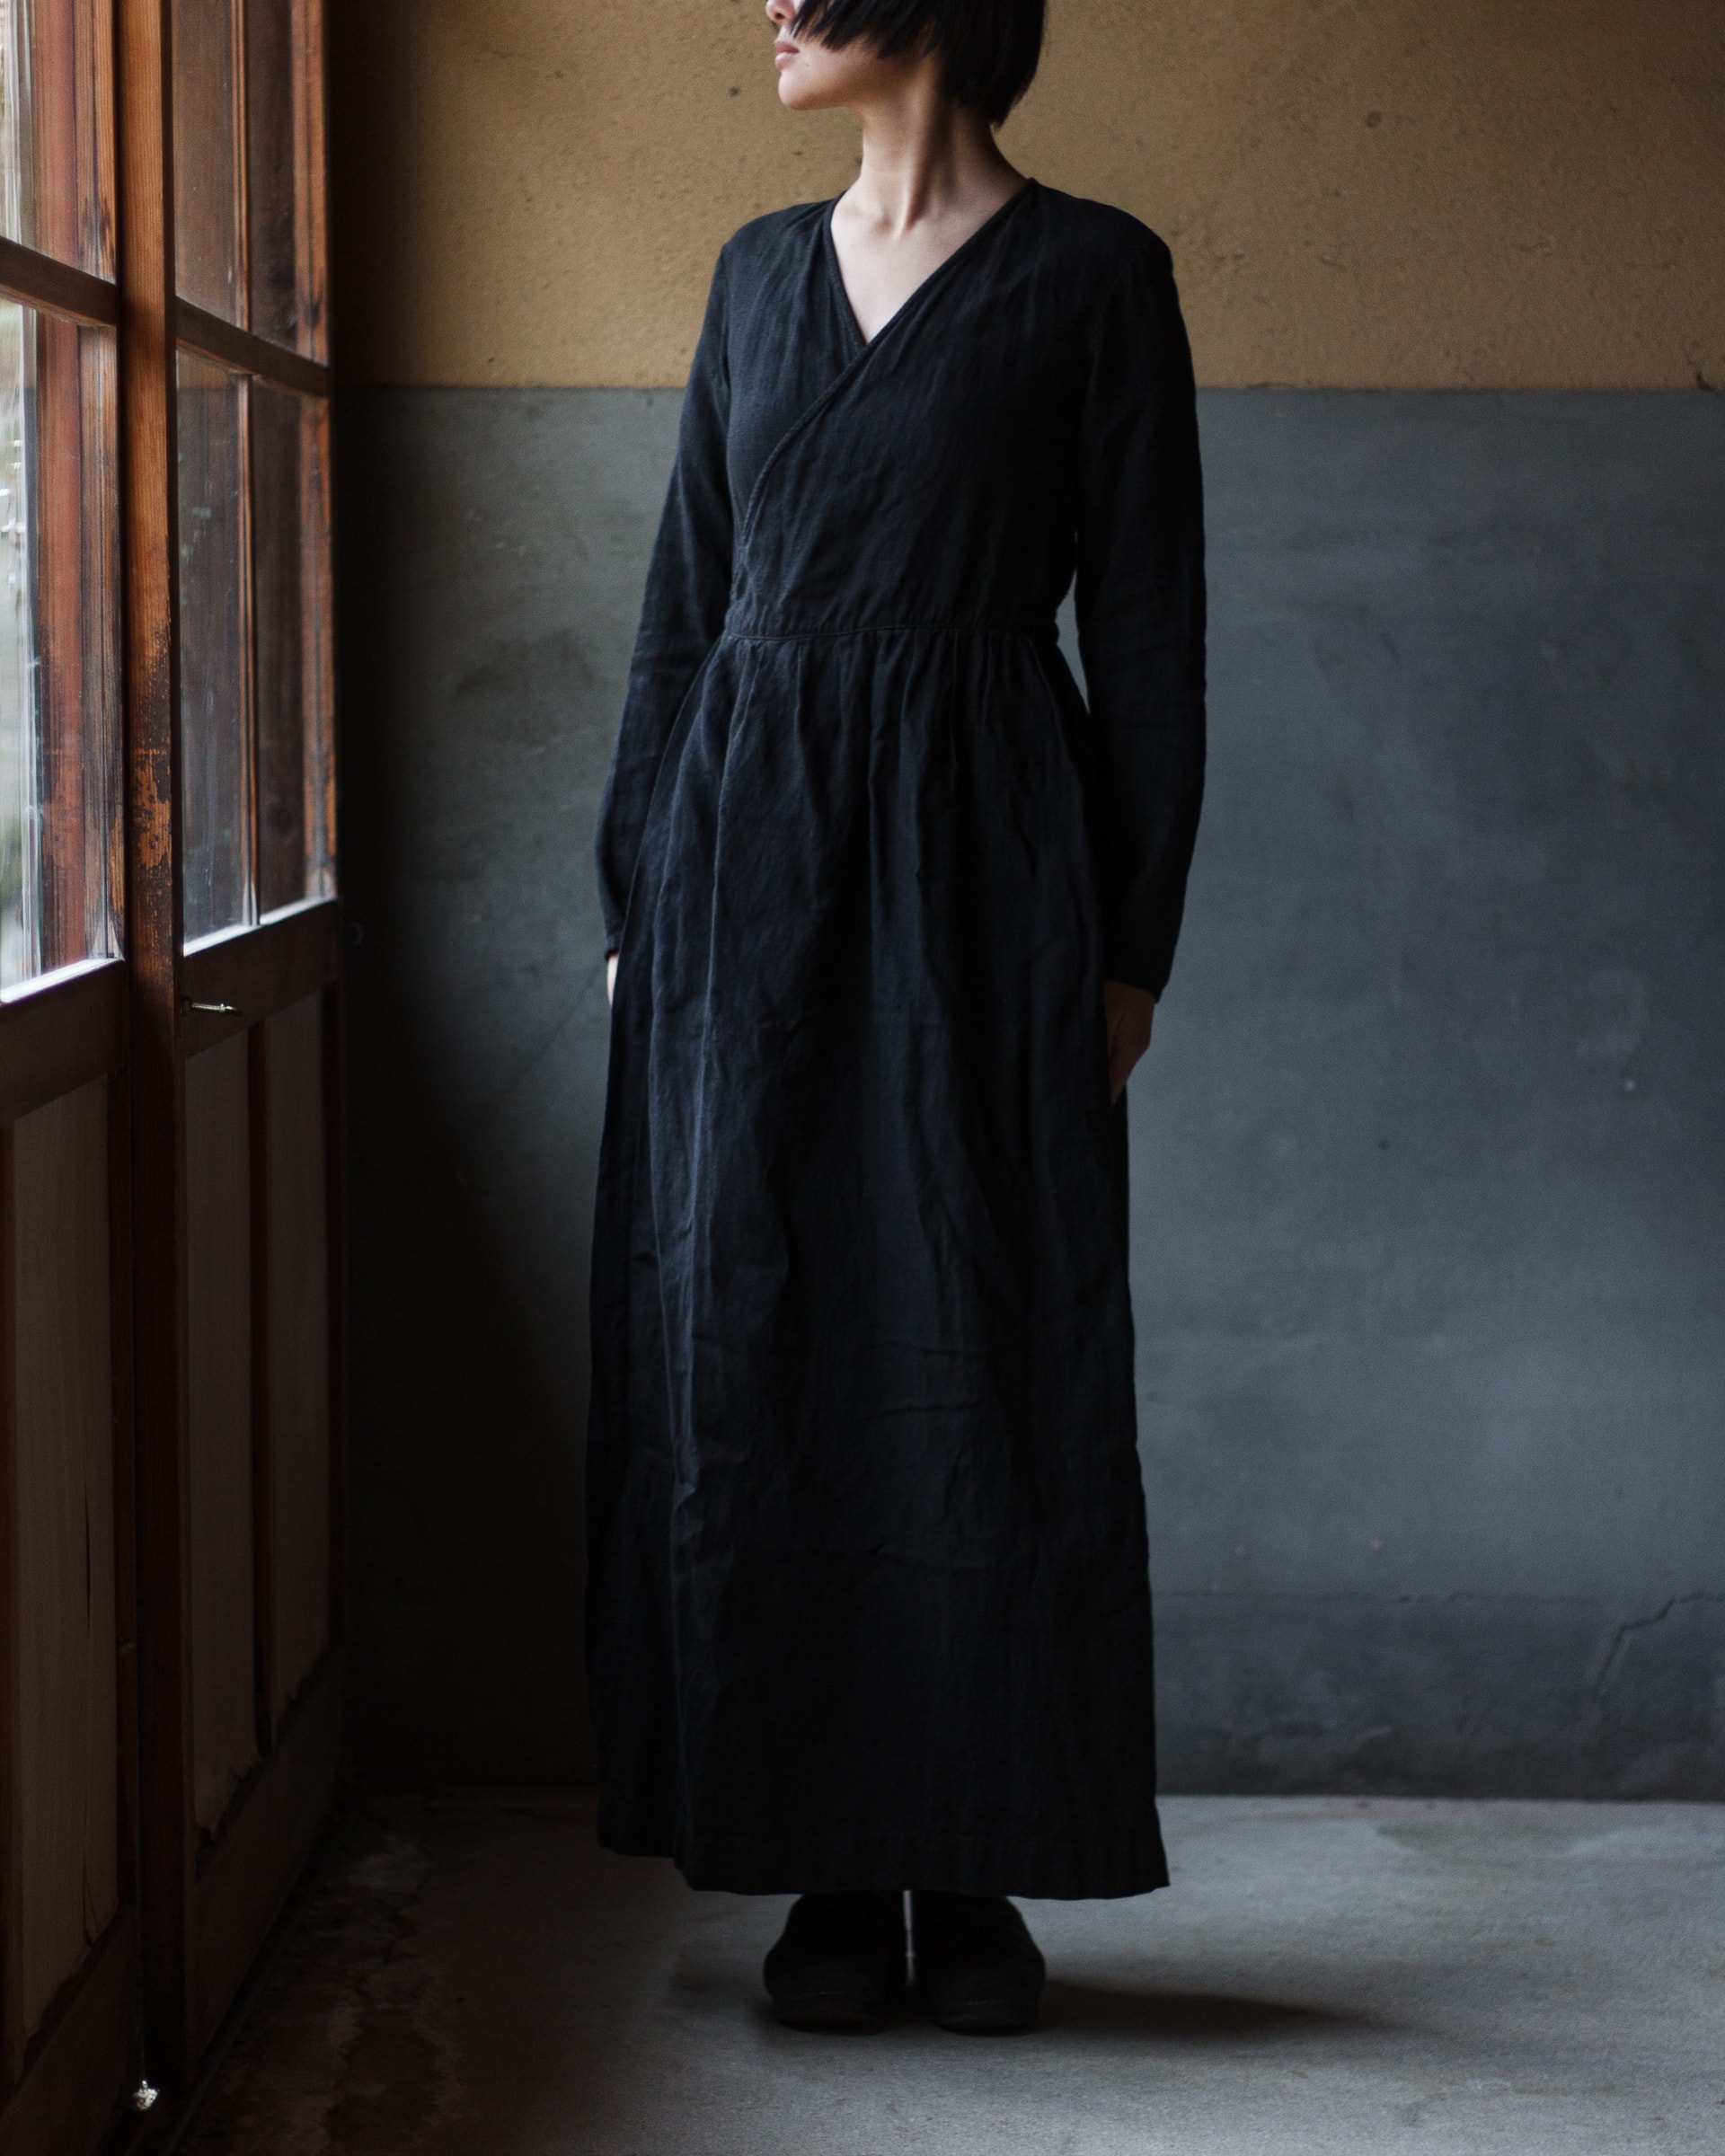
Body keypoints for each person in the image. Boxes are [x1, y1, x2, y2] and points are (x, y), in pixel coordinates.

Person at [588, 0, 1205, 2035]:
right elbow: (687, 602)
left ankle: (975, 1864)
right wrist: (641, 895)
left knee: (986, 1345)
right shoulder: (755, 275)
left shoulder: (1096, 277)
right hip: (749, 871)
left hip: (988, 875)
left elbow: (1149, 630)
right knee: (771, 1349)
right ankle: (830, 1872)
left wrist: (1129, 948)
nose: (768, 9)